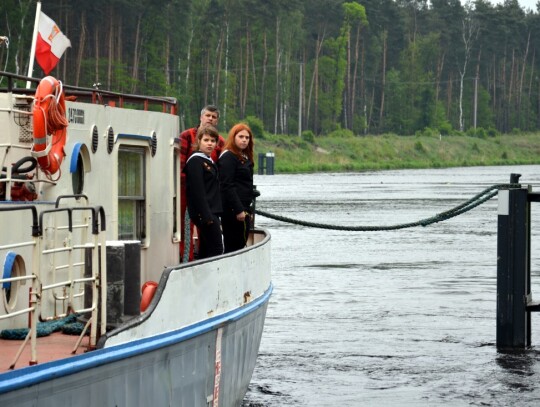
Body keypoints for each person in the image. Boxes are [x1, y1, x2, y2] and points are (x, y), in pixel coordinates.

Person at [179, 105, 225, 261]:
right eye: (206, 140)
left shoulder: (210, 157)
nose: (210, 143)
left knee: (208, 247)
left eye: (213, 141)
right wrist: (207, 216)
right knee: (217, 248)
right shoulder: (195, 158)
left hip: (212, 206)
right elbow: (197, 189)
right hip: (200, 206)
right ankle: (188, 259)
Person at [218, 123, 256, 253]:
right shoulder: (228, 156)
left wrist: (247, 208)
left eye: (247, 137)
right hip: (232, 210)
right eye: (241, 136)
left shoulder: (244, 156)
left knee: (240, 242)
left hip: (243, 207)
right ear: (233, 137)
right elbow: (227, 185)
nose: (244, 140)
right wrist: (239, 209)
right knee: (233, 245)